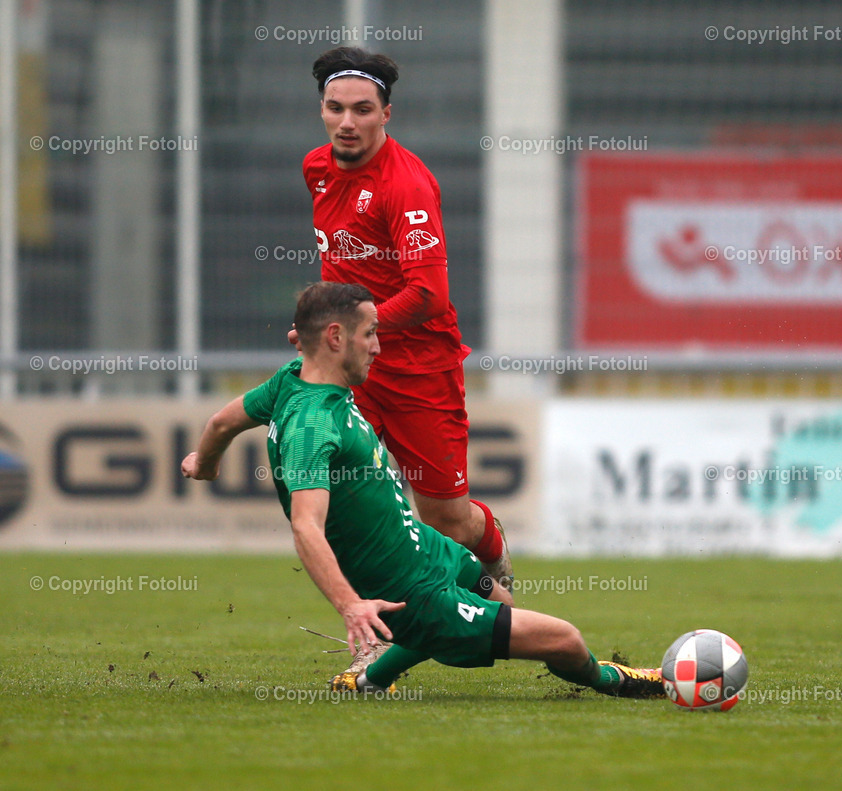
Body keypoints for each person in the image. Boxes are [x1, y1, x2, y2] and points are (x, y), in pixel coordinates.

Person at [182, 283, 662, 698]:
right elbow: (307, 526)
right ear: (335, 338)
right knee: (565, 640)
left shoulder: (290, 381)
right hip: (412, 593)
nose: (377, 347)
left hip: (430, 550)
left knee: (505, 607)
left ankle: (370, 679)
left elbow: (223, 420)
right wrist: (350, 605)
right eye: (370, 334)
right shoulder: (312, 424)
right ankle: (619, 681)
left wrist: (204, 462)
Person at [294, 46, 512, 602]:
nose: (347, 122)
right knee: (349, 509)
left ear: (386, 113)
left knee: (445, 518)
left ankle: (491, 554)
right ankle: (373, 631)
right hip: (352, 369)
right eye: (335, 107)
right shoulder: (316, 168)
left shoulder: (406, 185)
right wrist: (331, 338)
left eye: (362, 109)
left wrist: (353, 331)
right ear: (321, 108)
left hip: (419, 365)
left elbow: (429, 295)